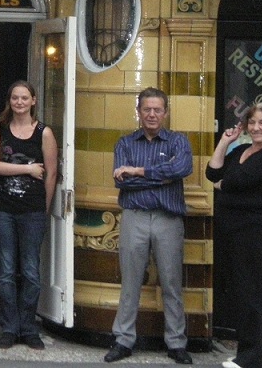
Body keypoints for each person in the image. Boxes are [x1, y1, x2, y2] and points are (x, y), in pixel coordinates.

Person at [104, 87, 193, 365]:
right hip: (135, 216)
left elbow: (181, 170)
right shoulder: (126, 143)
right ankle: (123, 339)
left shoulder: (179, 142)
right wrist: (161, 178)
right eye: (147, 109)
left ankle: (176, 343)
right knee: (130, 281)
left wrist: (138, 171)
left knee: (171, 282)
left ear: (165, 112)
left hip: (168, 219)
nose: (152, 114)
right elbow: (122, 182)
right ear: (139, 112)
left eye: (157, 109)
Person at [0, 81, 57, 350]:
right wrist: (27, 170)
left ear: (33, 101)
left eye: (24, 98)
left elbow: (50, 174)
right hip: (3, 208)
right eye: (15, 98)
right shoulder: (0, 128)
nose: (19, 102)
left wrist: (45, 207)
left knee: (30, 271)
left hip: (33, 210)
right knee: (5, 271)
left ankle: (28, 328)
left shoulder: (44, 132)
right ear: (9, 101)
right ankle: (9, 327)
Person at [207, 103, 262, 368]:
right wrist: (225, 142)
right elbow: (213, 172)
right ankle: (250, 352)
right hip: (233, 234)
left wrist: (224, 184)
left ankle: (255, 356)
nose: (256, 128)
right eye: (252, 123)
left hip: (254, 234)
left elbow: (234, 181)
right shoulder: (243, 150)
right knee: (241, 292)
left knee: (252, 292)